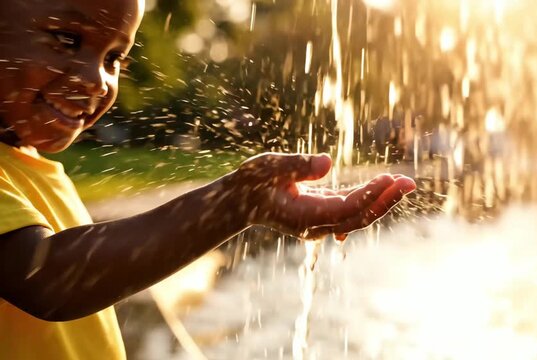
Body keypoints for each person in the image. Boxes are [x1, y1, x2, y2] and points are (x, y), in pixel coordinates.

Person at [0, 0, 416, 358]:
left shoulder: (30, 166)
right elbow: (48, 277)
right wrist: (236, 203)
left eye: (114, 59)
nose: (97, 80)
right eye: (67, 40)